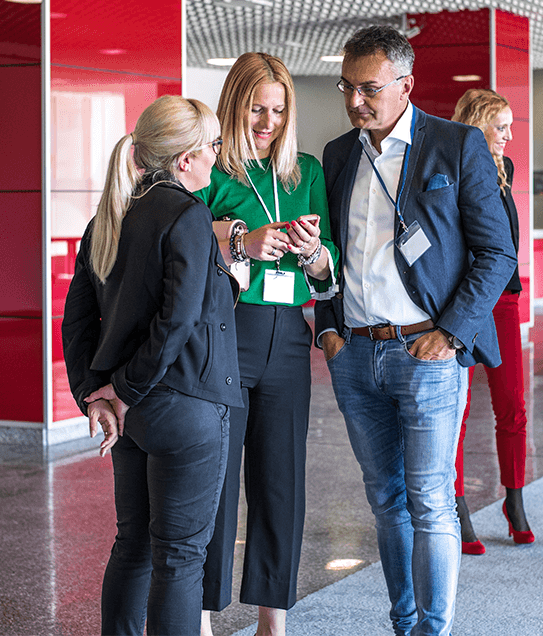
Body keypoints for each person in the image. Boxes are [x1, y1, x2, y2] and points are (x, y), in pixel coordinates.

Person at [316, 26, 516, 635]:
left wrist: (451, 333)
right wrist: (329, 328)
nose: (355, 101)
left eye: (368, 89)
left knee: (430, 503)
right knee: (386, 502)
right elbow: (329, 249)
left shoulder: (455, 146)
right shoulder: (338, 154)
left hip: (427, 351)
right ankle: (403, 623)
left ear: (405, 84)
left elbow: (497, 254)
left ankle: (433, 629)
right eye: (347, 88)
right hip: (355, 354)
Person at [62, 95, 243, 635]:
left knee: (134, 544)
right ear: (185, 159)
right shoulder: (187, 213)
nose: (218, 156)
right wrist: (125, 390)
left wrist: (96, 394)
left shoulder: (110, 215)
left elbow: (78, 320)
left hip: (132, 416)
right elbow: (177, 323)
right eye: (212, 146)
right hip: (183, 405)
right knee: (180, 558)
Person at [197, 52, 339, 636]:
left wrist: (312, 252)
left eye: (279, 110)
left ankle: (272, 620)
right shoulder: (212, 171)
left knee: (281, 480)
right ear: (235, 104)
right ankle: (202, 613)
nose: (268, 120)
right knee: (217, 479)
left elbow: (328, 267)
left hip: (287, 336)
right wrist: (239, 239)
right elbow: (183, 239)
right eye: (257, 108)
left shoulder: (304, 170)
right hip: (228, 330)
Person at [450, 89, 534, 554]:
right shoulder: (452, 166)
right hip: (465, 301)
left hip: (504, 299)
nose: (508, 135)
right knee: (457, 411)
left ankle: (514, 501)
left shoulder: (507, 172)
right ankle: (458, 505)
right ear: (479, 124)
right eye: (501, 126)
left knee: (512, 405)